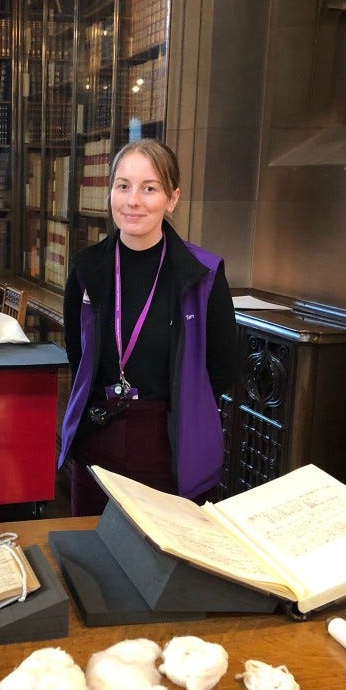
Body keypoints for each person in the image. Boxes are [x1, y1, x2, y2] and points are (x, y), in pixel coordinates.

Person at [59, 138, 237, 516]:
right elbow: (78, 354)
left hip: (169, 445)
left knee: (161, 564)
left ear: (172, 198)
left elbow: (221, 370)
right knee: (93, 560)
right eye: (122, 186)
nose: (133, 201)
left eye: (149, 188)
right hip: (99, 438)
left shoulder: (202, 274)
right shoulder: (87, 268)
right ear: (110, 192)